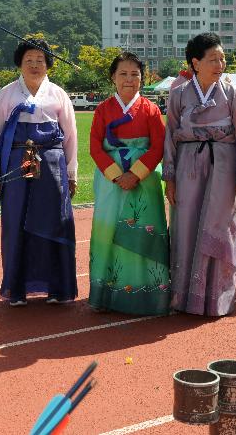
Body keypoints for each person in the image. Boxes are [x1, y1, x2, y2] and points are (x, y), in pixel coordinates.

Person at [0, 38, 78, 306]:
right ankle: (17, 289)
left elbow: (70, 136)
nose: (35, 65)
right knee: (16, 222)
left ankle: (56, 288)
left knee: (54, 221)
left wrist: (71, 174)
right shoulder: (6, 94)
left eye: (40, 60)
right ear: (20, 64)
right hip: (16, 166)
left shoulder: (59, 95)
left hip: (51, 165)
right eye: (29, 60)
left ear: (48, 64)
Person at [163, 32, 236, 316]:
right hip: (188, 166)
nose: (220, 64)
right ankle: (184, 296)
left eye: (222, 58)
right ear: (195, 63)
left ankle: (214, 298)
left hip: (223, 168)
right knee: (186, 226)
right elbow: (170, 138)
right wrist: (170, 178)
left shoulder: (232, 93)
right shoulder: (178, 94)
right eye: (213, 59)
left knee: (221, 226)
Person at [88, 52, 169, 315]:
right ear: (113, 77)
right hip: (110, 183)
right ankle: (106, 294)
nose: (129, 79)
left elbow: (158, 146)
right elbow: (95, 148)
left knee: (143, 235)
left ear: (142, 79)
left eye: (135, 74)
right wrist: (116, 176)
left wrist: (135, 174)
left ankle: (146, 295)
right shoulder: (102, 110)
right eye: (123, 74)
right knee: (108, 233)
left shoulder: (151, 109)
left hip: (144, 182)